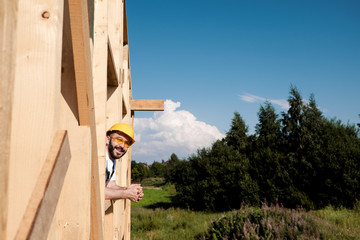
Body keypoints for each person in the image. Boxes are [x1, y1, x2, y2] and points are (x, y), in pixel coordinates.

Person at [105, 123, 144, 203]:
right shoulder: (99, 158)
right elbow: (94, 190)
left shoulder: (112, 160)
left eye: (127, 143)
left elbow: (110, 185)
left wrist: (127, 189)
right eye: (119, 140)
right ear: (108, 139)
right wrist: (126, 194)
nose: (122, 146)